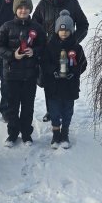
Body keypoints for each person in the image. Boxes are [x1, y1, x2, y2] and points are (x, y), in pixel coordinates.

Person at [0, 0, 45, 146]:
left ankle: (27, 134)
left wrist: (34, 51)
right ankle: (12, 134)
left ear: (30, 9)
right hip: (11, 74)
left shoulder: (36, 27)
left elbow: (44, 46)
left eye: (26, 8)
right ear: (15, 9)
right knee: (12, 106)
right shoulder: (7, 26)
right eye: (20, 8)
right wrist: (12, 55)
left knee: (28, 106)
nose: (23, 11)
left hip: (29, 75)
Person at [40, 10, 87, 149]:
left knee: (67, 110)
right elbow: (44, 62)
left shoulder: (77, 48)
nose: (64, 32)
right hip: (53, 86)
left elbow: (83, 63)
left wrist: (74, 72)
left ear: (71, 30)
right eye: (61, 30)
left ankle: (65, 133)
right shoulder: (49, 46)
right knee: (54, 110)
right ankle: (56, 134)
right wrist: (53, 71)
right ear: (56, 30)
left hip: (69, 86)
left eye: (67, 30)